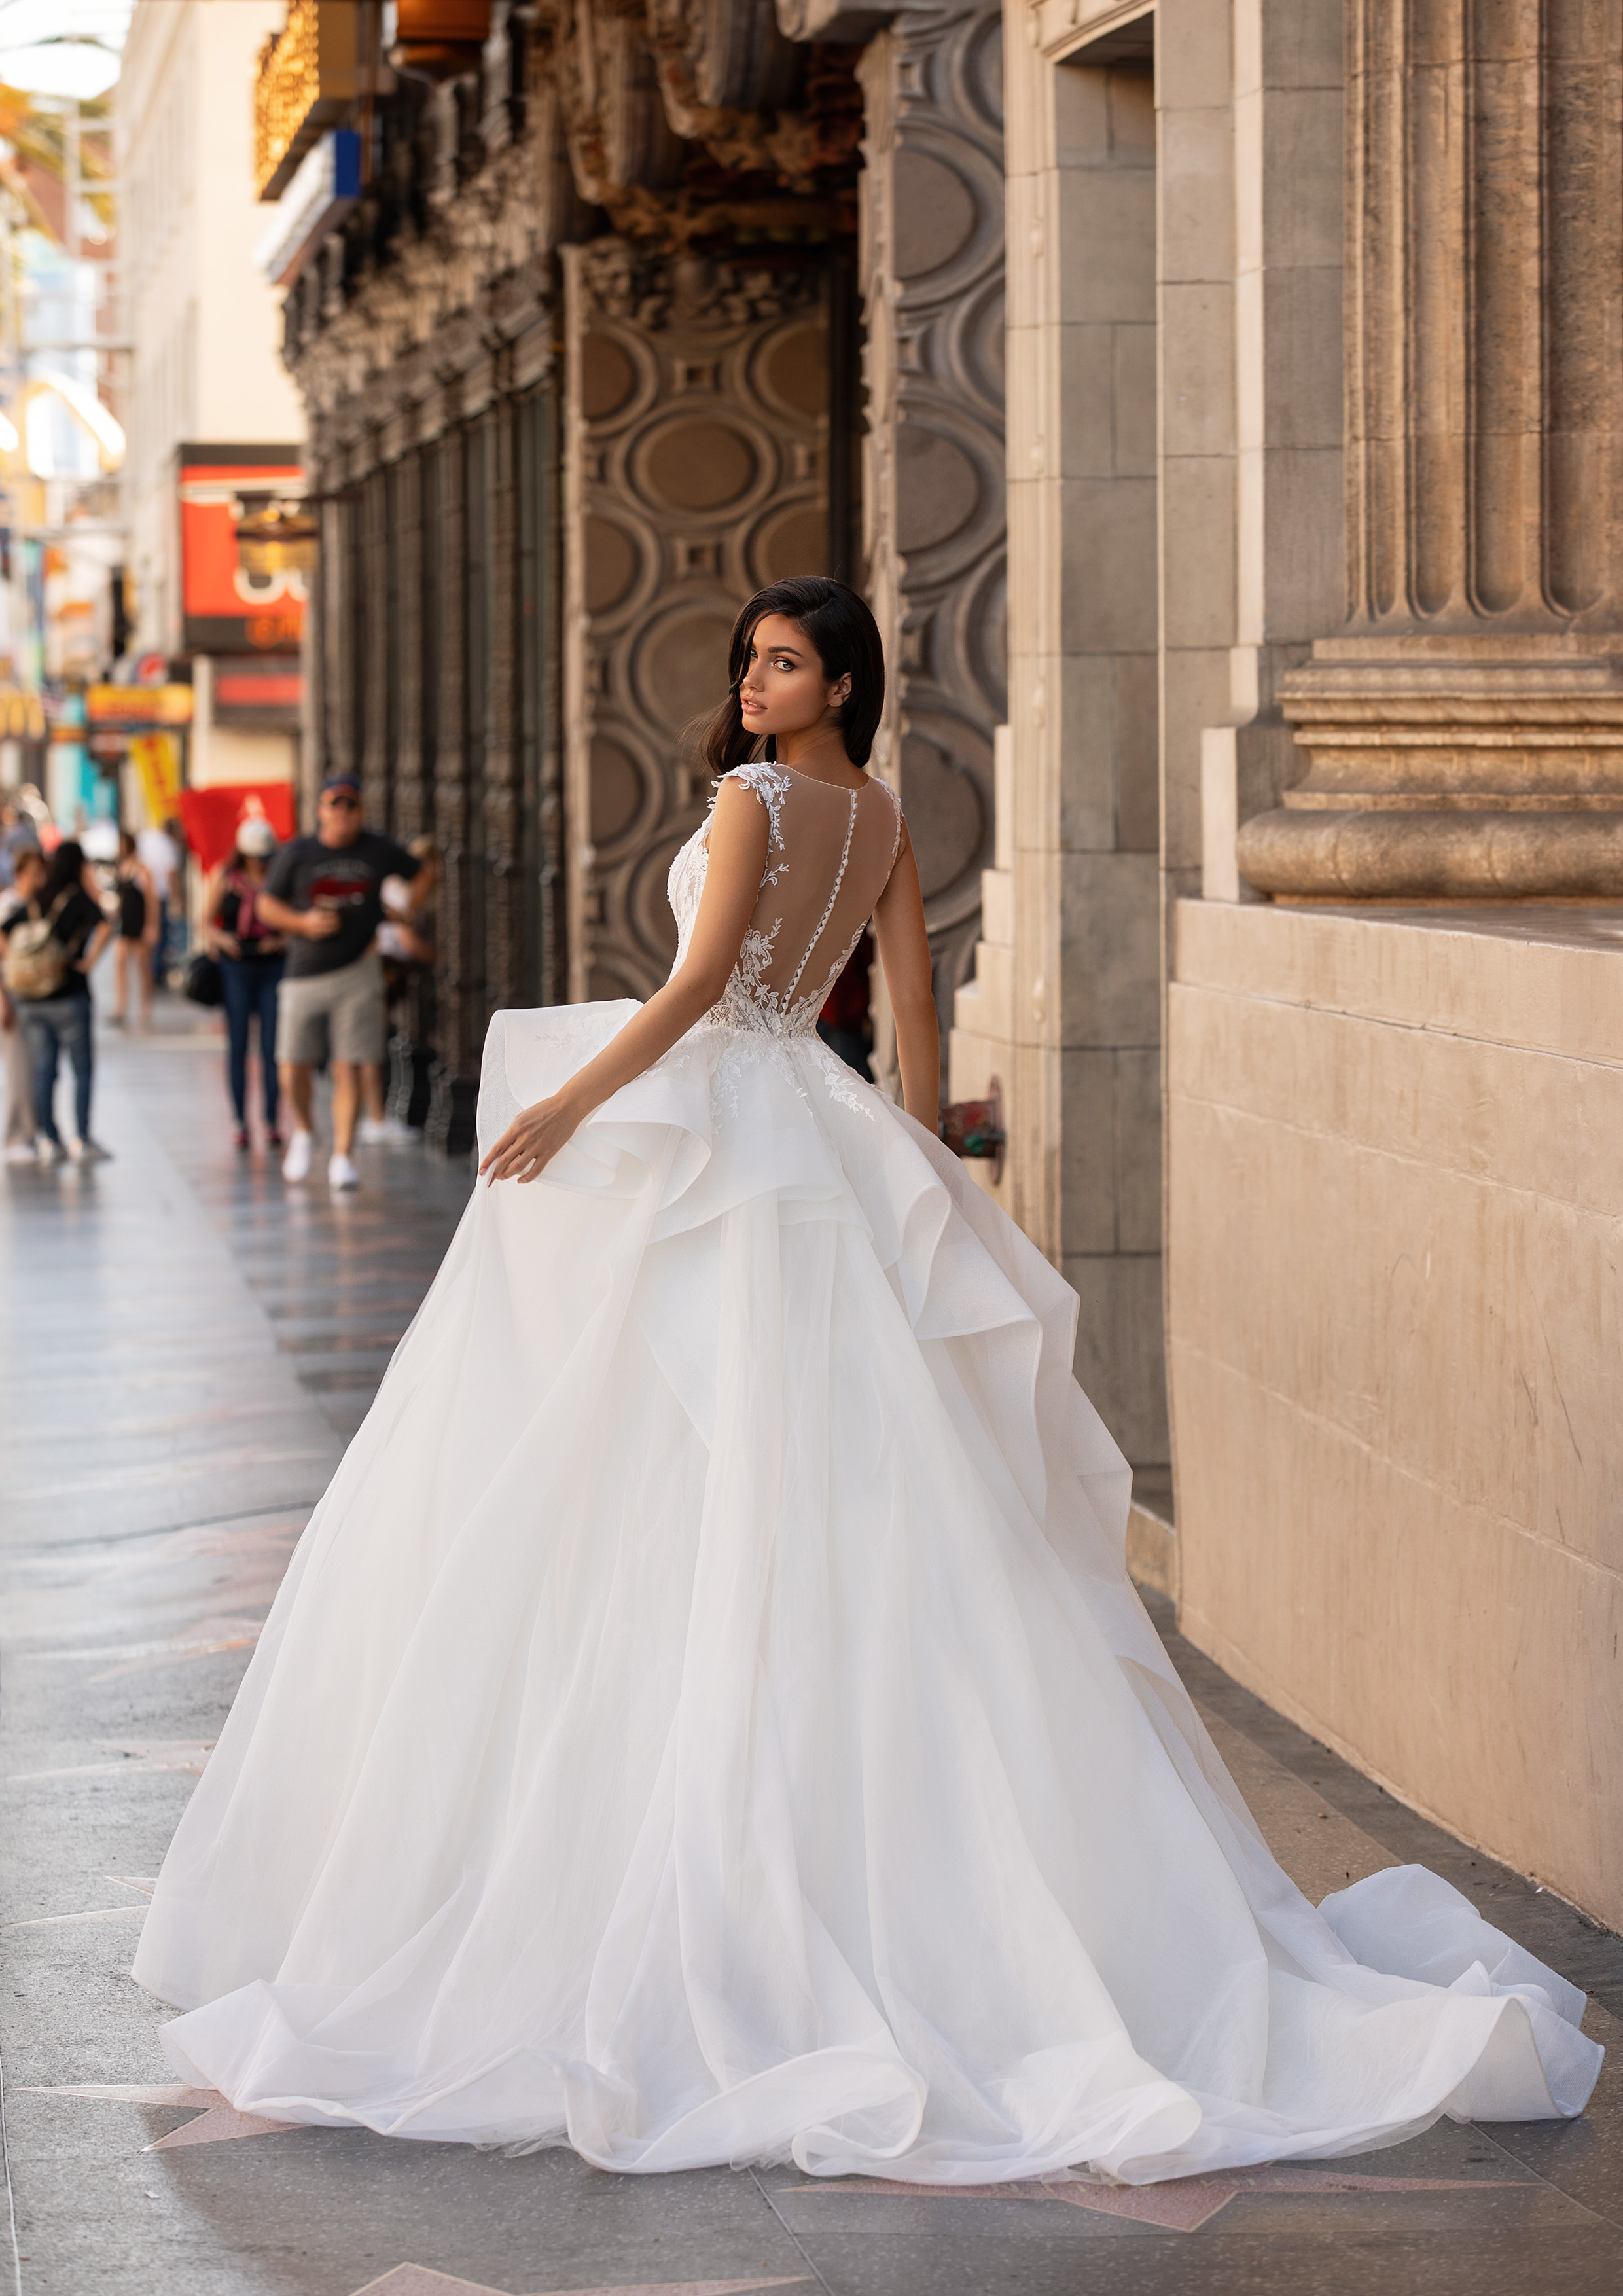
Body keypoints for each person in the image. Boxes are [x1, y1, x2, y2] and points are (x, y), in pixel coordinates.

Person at [132, 579, 1597, 2182]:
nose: (752, 683)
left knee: (644, 1456)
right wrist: (939, 1166)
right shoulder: (881, 814)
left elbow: (697, 989)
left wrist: (568, 1109)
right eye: (748, 661)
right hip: (815, 1143)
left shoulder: (755, 799)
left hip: (719, 1120)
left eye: (781, 662)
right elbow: (904, 1026)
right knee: (809, 1473)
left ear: (840, 680)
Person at [256, 777, 425, 1190]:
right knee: (291, 1067)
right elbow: (266, 904)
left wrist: (404, 911)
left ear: (361, 812)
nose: (342, 813)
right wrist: (302, 923)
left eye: (350, 806)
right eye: (334, 805)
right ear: (321, 810)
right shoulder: (298, 852)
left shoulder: (378, 849)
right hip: (304, 971)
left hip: (357, 970)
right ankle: (304, 1130)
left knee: (347, 1065)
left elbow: (422, 870)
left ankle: (343, 1154)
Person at [1, 839, 113, 1164]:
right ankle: (82, 1138)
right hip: (69, 995)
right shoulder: (76, 897)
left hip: (32, 1000)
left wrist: (17, 965)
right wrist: (89, 962)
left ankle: (51, 1139)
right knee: (82, 1068)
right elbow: (106, 924)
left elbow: (4, 931)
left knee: (44, 1070)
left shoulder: (37, 899)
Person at [204, 817, 286, 1152]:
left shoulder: (279, 879)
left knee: (272, 1047)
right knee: (237, 1044)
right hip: (236, 965)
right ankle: (240, 1121)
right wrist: (224, 941)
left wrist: (280, 941)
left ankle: (271, 1121)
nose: (259, 863)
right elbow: (206, 922)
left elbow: (294, 921)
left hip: (271, 964)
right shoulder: (226, 878)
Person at [1, 844, 46, 1160]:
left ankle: (33, 1132)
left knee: (36, 1066)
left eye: (42, 873)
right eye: (33, 874)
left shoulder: (38, 905)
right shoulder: (8, 906)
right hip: (11, 992)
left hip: (36, 993)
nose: (38, 880)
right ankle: (18, 1136)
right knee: (19, 1065)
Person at [109, 830, 158, 1029]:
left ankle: (145, 1006)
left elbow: (151, 900)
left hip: (139, 922)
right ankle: (121, 1006)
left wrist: (152, 925)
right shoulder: (120, 868)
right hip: (124, 923)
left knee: (143, 967)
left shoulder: (141, 870)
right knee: (120, 964)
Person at [137, 818, 181, 986]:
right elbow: (171, 874)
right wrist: (178, 897)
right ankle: (155, 973)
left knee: (146, 935)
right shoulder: (166, 845)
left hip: (141, 894)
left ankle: (148, 973)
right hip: (157, 895)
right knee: (158, 934)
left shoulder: (147, 838)